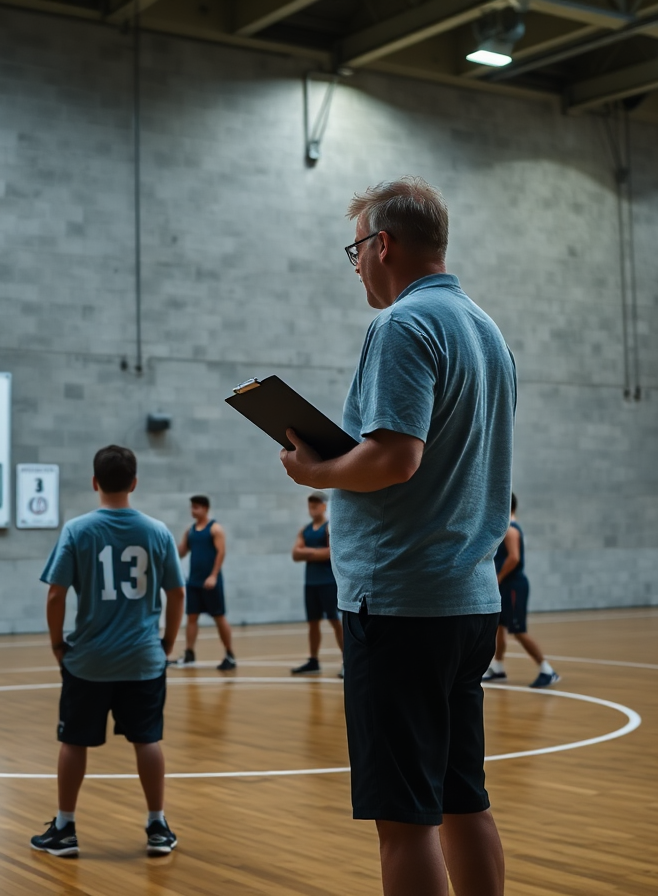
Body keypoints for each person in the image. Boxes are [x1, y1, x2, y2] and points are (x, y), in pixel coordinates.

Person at [279, 177, 515, 896]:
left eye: (355, 250)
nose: (355, 266)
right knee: (461, 799)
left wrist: (316, 469)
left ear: (383, 244)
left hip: (402, 602)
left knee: (405, 822)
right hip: (467, 600)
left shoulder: (401, 326)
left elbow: (395, 456)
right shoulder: (487, 330)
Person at [30, 445, 186, 859]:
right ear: (134, 483)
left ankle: (65, 828)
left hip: (89, 660)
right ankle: (157, 825)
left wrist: (57, 644)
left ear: (94, 482)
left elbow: (55, 595)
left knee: (74, 742)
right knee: (147, 740)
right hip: (143, 658)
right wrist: (168, 642)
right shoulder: (157, 531)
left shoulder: (77, 530)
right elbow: (177, 592)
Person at [483, 493, 559, 688]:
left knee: (518, 630)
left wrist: (498, 577)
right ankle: (498, 668)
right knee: (500, 627)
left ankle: (547, 670)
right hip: (506, 585)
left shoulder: (510, 529)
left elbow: (514, 558)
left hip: (514, 586)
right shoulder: (505, 527)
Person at [175, 495, 236, 670]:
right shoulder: (190, 530)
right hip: (194, 581)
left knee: (218, 616)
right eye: (192, 507)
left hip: (210, 582)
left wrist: (213, 576)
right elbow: (183, 550)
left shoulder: (215, 529)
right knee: (191, 617)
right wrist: (167, 553)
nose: (193, 511)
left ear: (205, 509)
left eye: (196, 507)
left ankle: (229, 655)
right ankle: (189, 653)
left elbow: (221, 552)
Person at [290, 492, 344, 677]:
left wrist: (307, 551)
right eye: (310, 505)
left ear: (324, 506)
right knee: (313, 623)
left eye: (316, 505)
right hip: (311, 583)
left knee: (335, 621)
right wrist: (315, 552)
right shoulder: (304, 530)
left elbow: (330, 553)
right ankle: (313, 660)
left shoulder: (329, 527)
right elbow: (295, 554)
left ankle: (347, 661)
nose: (312, 509)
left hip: (328, 582)